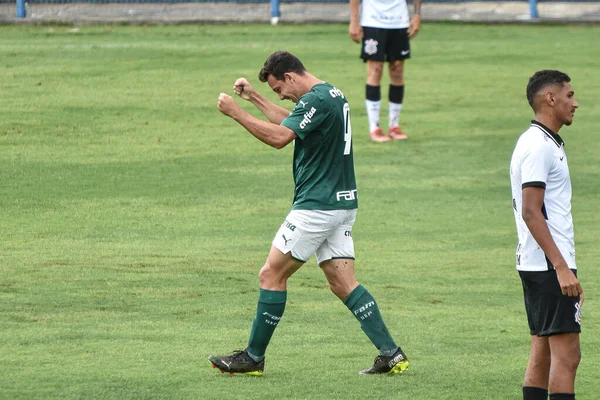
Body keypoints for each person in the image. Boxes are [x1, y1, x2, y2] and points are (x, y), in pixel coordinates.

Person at [209, 50, 409, 376]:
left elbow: (280, 138)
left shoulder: (316, 100)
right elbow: (290, 120)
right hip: (342, 203)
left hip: (317, 205)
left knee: (271, 275)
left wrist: (235, 113)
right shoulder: (330, 93)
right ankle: (391, 353)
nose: (282, 96)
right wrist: (254, 97)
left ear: (290, 76)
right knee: (343, 282)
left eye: (279, 89)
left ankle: (253, 357)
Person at [509, 70, 583, 400]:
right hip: (550, 266)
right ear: (550, 99)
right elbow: (531, 210)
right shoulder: (540, 147)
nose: (575, 103)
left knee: (543, 353)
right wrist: (562, 267)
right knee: (568, 357)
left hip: (537, 263)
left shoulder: (537, 140)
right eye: (569, 95)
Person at [349, 0, 422, 142]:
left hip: (399, 21)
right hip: (373, 20)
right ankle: (374, 128)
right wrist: (354, 19)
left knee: (397, 70)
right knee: (375, 70)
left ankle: (394, 125)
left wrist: (417, 14)